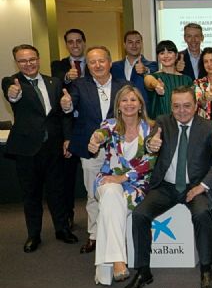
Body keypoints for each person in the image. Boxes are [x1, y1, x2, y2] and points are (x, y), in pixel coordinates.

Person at [121, 85, 212, 288]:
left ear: (195, 105)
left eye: (187, 106)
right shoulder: (163, 122)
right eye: (177, 106)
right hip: (166, 186)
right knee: (140, 214)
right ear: (171, 107)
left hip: (195, 187)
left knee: (202, 214)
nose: (181, 111)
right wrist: (151, 145)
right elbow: (150, 144)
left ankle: (206, 269)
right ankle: (143, 271)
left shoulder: (208, 127)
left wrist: (204, 186)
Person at [2, 44, 77, 252]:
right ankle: (33, 235)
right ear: (17, 62)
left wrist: (67, 138)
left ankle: (62, 230)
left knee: (57, 192)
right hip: (27, 149)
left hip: (53, 147)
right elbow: (12, 94)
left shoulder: (54, 82)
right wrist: (12, 92)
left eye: (32, 59)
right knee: (31, 195)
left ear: (39, 58)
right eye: (23, 61)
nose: (29, 64)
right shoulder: (11, 81)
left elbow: (63, 114)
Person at [62, 46, 130, 253]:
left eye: (102, 60)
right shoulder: (79, 85)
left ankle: (121, 235)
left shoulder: (123, 85)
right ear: (87, 66)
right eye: (92, 62)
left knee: (121, 192)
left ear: (110, 62)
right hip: (90, 148)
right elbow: (70, 105)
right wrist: (66, 105)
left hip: (119, 149)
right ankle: (94, 235)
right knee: (93, 193)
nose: (97, 65)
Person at [88, 85, 157, 285]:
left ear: (140, 104)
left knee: (110, 205)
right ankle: (119, 260)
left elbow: (150, 162)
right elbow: (100, 134)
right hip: (108, 179)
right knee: (110, 191)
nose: (129, 104)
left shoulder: (151, 128)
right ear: (118, 105)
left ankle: (107, 271)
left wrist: (123, 178)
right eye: (124, 100)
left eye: (133, 100)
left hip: (136, 186)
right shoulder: (110, 125)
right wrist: (95, 140)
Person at [51, 28, 87, 230]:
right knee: (67, 177)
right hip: (69, 128)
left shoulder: (92, 64)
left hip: (91, 126)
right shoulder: (58, 66)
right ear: (66, 44)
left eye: (79, 41)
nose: (75, 45)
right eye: (71, 42)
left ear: (84, 42)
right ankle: (68, 217)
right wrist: (67, 77)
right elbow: (57, 81)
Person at [144, 40, 192, 119]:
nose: (166, 56)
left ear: (176, 55)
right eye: (162, 53)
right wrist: (157, 85)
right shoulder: (154, 77)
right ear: (158, 57)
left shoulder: (187, 79)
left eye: (169, 52)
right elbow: (148, 80)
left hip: (183, 122)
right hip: (160, 125)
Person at [111, 30, 158, 104]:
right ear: (124, 45)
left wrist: (145, 70)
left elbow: (152, 75)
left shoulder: (153, 65)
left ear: (142, 44)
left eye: (137, 42)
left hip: (144, 111)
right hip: (120, 110)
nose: (134, 45)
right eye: (130, 42)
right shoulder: (113, 67)